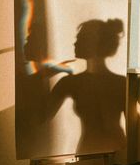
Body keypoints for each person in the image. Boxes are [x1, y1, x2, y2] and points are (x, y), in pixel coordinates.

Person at [43, 19, 126, 153]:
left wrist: (45, 74)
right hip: (105, 150)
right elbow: (44, 117)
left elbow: (42, 116)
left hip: (105, 151)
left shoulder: (71, 82)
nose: (74, 43)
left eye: (80, 38)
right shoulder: (120, 82)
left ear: (93, 42)